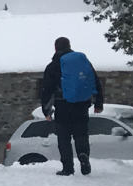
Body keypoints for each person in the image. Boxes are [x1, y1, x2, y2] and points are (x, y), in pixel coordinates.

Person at [38, 36, 104, 176]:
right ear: (69, 46)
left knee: (64, 139)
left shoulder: (53, 66)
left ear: (55, 48)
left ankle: (68, 168)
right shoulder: (83, 62)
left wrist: (46, 110)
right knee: (81, 136)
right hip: (81, 106)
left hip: (62, 106)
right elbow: (95, 82)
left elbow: (47, 90)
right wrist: (98, 103)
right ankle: (83, 156)